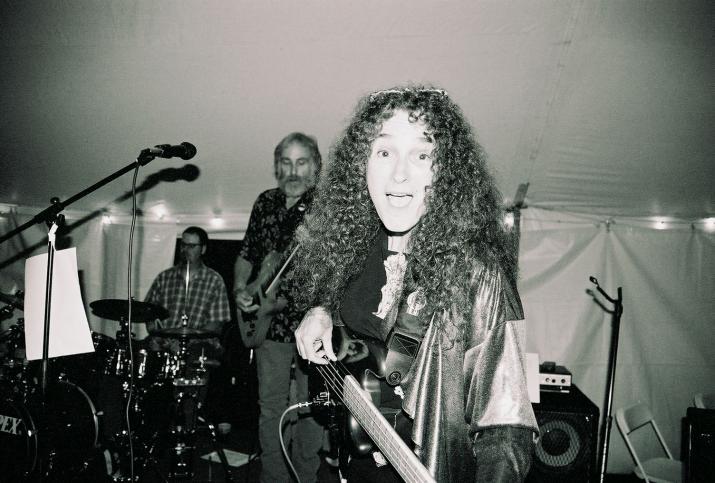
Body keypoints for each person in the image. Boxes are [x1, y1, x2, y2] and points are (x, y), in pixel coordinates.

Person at [291, 87, 538, 482]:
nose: (399, 173)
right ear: (362, 164)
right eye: (384, 152)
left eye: (422, 155)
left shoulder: (477, 270)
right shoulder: (353, 241)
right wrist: (319, 309)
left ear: (447, 171)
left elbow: (504, 429)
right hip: (351, 462)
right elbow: (347, 310)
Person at [234, 132, 324, 483]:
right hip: (267, 325)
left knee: (311, 407)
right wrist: (241, 288)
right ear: (276, 166)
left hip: (312, 325)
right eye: (286, 162)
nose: (293, 170)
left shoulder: (326, 207)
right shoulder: (265, 202)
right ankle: (273, 477)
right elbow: (246, 254)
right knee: (270, 406)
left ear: (315, 165)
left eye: (301, 162)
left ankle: (306, 476)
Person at [145, 226, 231, 359]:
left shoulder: (214, 280)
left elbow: (216, 324)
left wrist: (186, 342)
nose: (186, 250)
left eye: (192, 246)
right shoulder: (164, 277)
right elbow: (149, 313)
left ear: (203, 249)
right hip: (165, 343)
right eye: (183, 245)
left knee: (195, 354)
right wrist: (157, 337)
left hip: (199, 345)